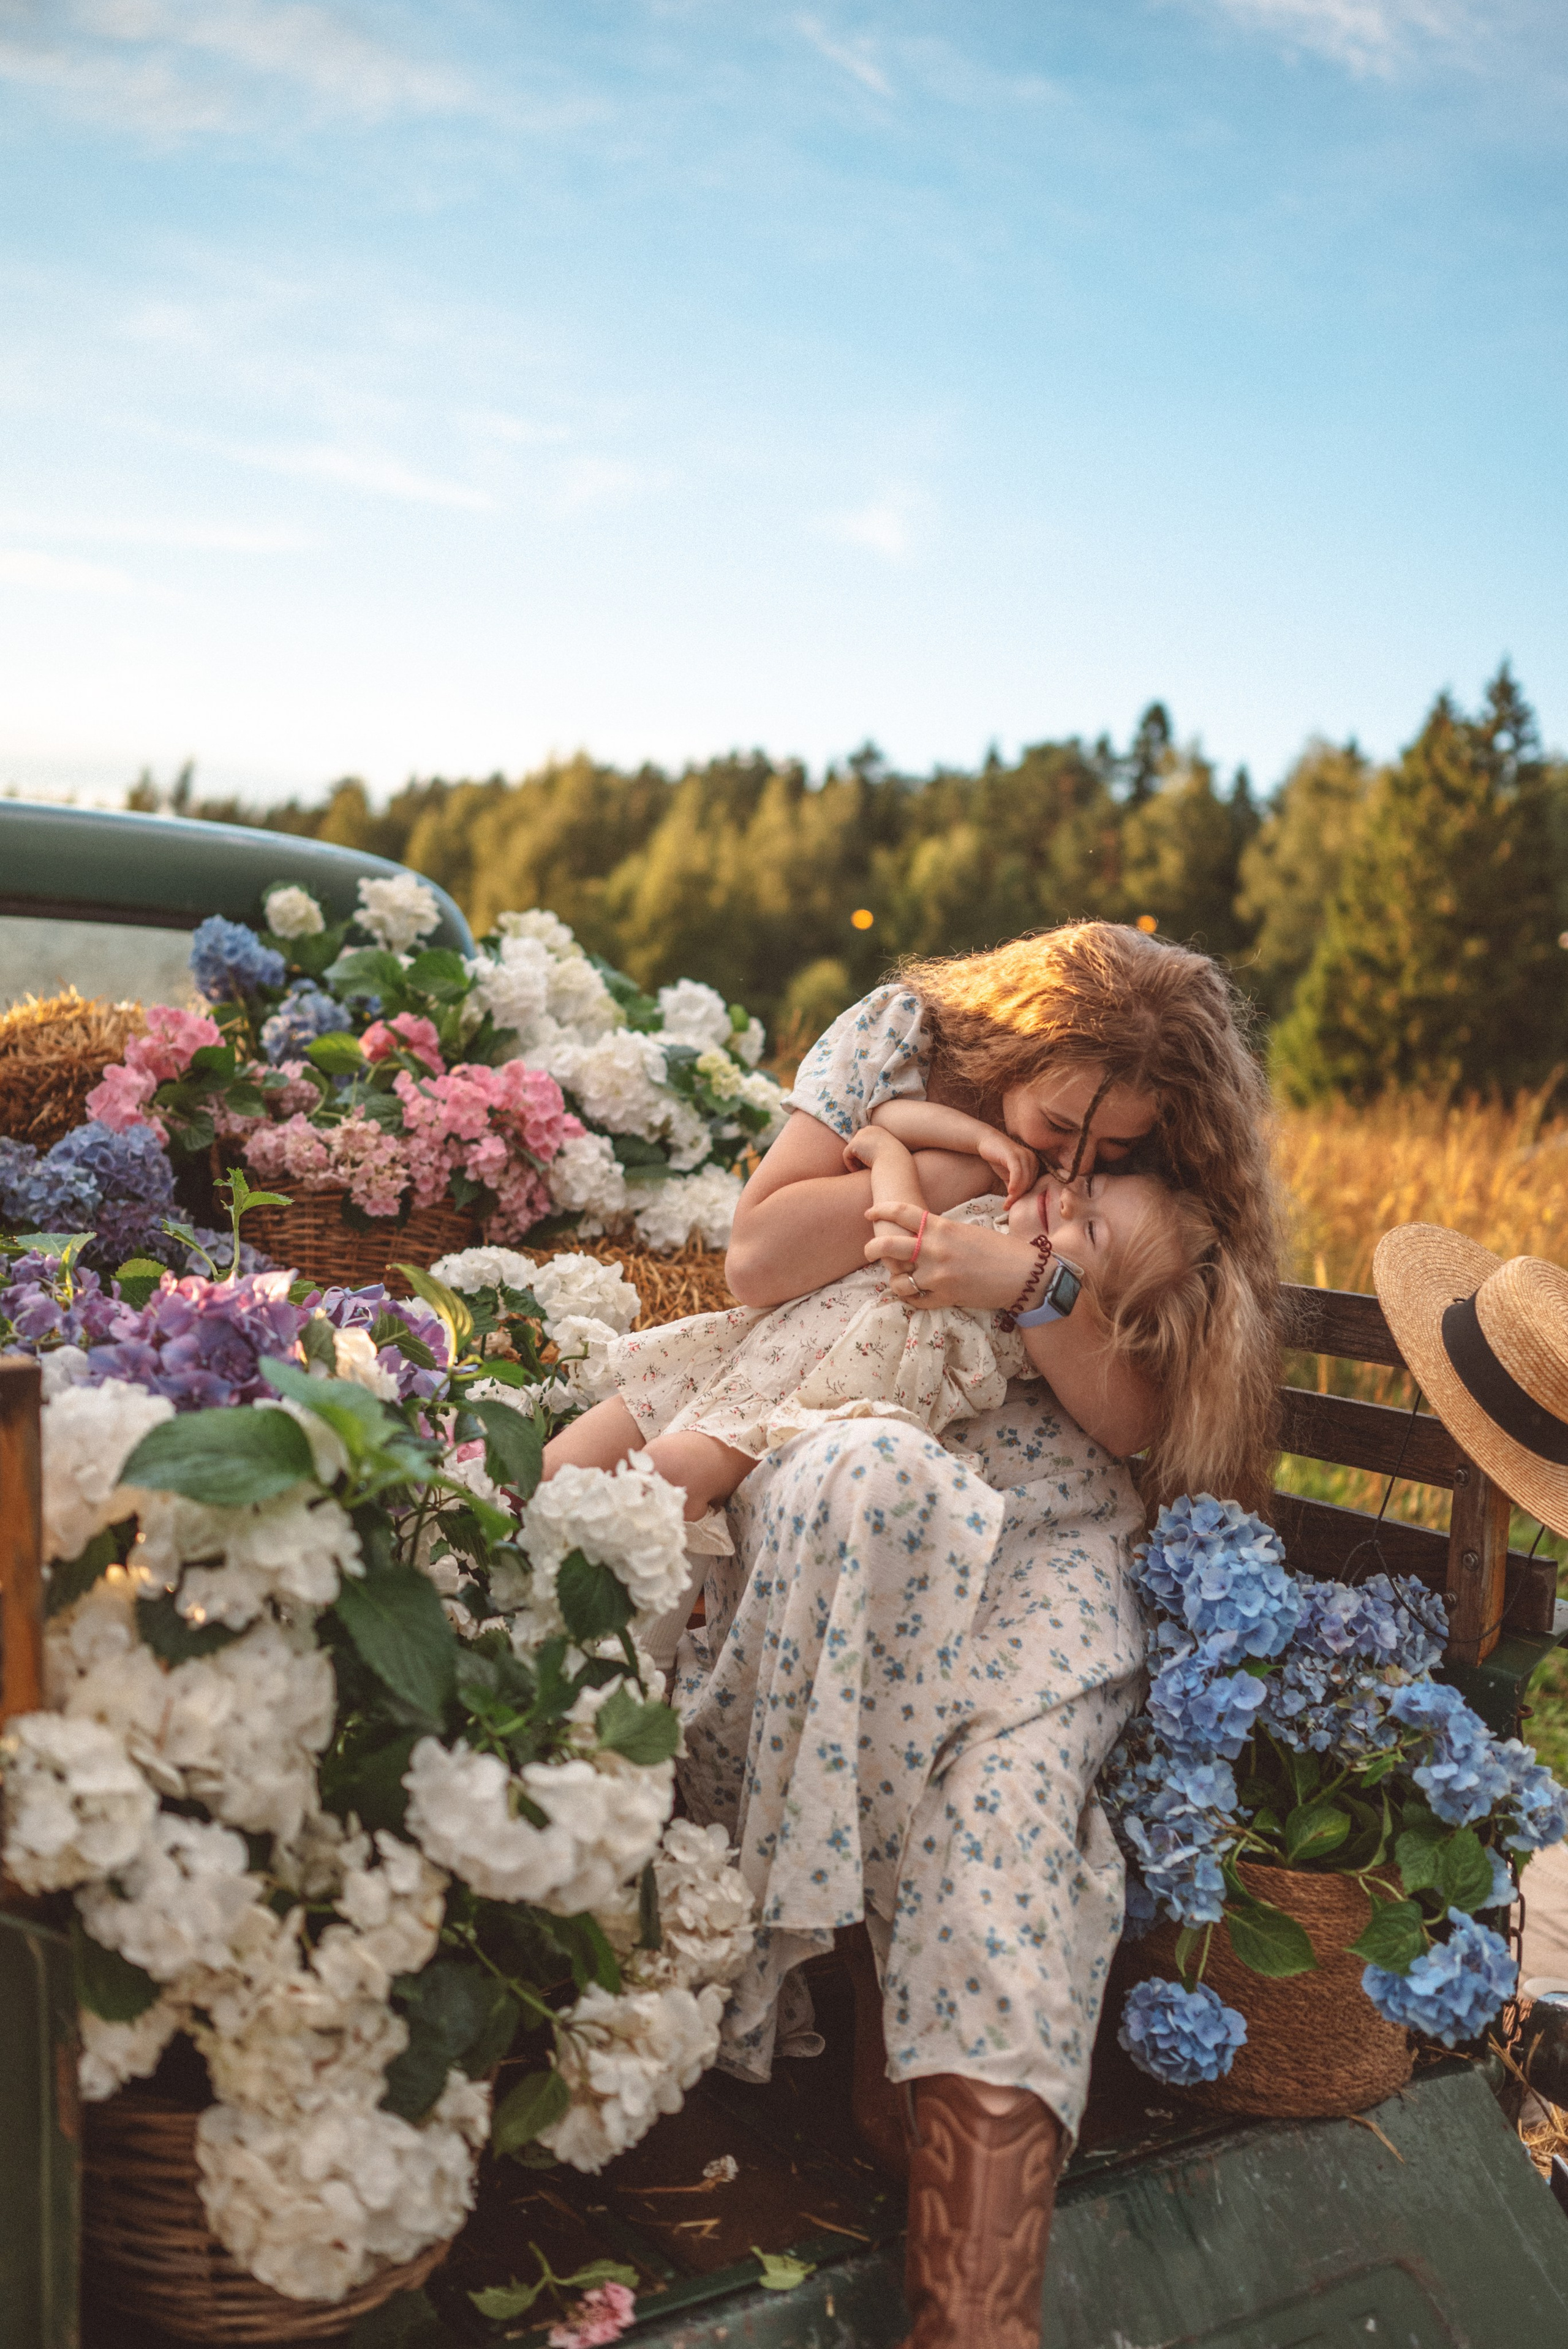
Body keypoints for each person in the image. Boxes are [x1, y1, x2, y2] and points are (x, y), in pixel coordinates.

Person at [668, 924, 1281, 2349]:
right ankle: (875, 2003)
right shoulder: (897, 1043)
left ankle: (973, 2317)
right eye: (1056, 1122)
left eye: (1110, 1150)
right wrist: (942, 1178)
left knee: (1004, 1820)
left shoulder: (1161, 1188)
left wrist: (1032, 1285)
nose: (1074, 1168)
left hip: (1053, 1517)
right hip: (851, 1436)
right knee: (860, 1501)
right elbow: (758, 1255)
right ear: (1005, 1048)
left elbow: (1139, 1424)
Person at [543, 1097, 1219, 1536]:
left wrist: (894, 1162)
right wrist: (980, 1138)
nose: (1070, 1200)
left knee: (665, 1481)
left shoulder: (1027, 1299)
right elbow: (888, 1114)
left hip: (804, 1404)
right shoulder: (996, 1197)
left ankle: (641, 1659)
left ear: (1097, 1296)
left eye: (1093, 1234)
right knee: (554, 1473)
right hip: (757, 1353)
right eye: (1091, 1190)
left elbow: (903, 1247)